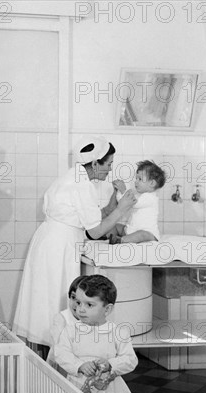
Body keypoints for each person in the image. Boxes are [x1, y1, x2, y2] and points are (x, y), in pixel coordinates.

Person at [12, 136, 137, 352]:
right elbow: (96, 231)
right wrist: (123, 208)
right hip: (58, 247)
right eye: (108, 164)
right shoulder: (82, 185)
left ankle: (46, 358)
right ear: (96, 163)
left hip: (50, 242)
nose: (109, 170)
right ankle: (55, 360)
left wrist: (114, 205)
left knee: (43, 301)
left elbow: (91, 218)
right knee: (53, 301)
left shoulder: (71, 178)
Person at [54, 275, 147, 393]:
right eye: (78, 303)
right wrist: (79, 365)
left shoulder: (117, 332)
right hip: (78, 385)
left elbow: (130, 359)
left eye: (89, 305)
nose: (81, 309)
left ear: (107, 309)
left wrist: (111, 364)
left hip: (109, 390)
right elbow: (61, 354)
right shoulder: (70, 330)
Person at [109, 160, 166, 244]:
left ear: (152, 183)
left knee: (141, 234)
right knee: (116, 227)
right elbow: (123, 202)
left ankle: (121, 240)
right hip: (131, 230)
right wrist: (119, 191)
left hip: (148, 234)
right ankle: (105, 235)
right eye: (136, 178)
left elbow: (133, 203)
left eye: (140, 179)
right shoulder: (139, 195)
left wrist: (123, 190)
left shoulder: (151, 197)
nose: (136, 181)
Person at [46, 275, 86, 370]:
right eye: (73, 297)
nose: (76, 304)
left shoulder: (91, 319)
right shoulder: (61, 318)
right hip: (60, 363)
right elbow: (59, 346)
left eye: (82, 301)